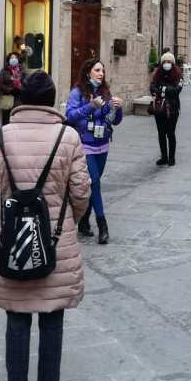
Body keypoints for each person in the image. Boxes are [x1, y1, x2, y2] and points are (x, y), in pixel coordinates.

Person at [0, 72, 91, 381]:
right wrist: (67, 221)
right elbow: (81, 191)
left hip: (14, 243)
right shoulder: (68, 137)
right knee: (53, 322)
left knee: (17, 321)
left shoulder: (1, 135)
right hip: (55, 243)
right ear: (52, 100)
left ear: (22, 99)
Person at [65, 59, 123, 245]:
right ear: (88, 72)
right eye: (97, 70)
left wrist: (118, 109)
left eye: (102, 71)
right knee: (95, 182)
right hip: (85, 144)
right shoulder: (77, 92)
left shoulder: (105, 92)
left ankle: (83, 221)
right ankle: (102, 225)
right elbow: (69, 116)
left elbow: (114, 120)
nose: (101, 74)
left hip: (103, 144)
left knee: (92, 184)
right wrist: (91, 106)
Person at [150, 51, 183, 166]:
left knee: (170, 133)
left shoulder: (178, 76)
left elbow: (176, 91)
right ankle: (164, 156)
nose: (166, 64)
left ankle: (171, 158)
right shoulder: (157, 74)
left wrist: (163, 89)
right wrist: (163, 91)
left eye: (169, 61)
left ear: (172, 63)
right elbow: (152, 87)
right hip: (159, 108)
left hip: (172, 108)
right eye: (164, 62)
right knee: (161, 133)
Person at [0, 52, 24, 127]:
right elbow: (0, 83)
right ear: (8, 60)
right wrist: (10, 90)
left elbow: (27, 82)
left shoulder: (22, 70)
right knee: (7, 118)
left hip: (19, 98)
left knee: (18, 117)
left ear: (18, 59)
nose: (13, 59)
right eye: (11, 58)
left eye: (15, 58)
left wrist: (21, 89)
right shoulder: (4, 70)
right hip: (8, 97)